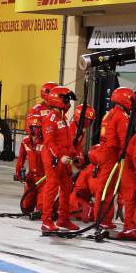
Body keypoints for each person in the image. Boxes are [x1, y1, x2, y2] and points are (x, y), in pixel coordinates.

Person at [85, 86, 136, 230]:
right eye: (131, 99)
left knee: (105, 187)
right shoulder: (122, 116)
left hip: (103, 152)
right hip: (111, 155)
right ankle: (102, 219)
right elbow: (124, 140)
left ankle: (101, 218)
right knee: (107, 189)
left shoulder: (109, 114)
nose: (132, 103)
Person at [39, 85, 78, 232]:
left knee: (67, 188)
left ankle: (63, 219)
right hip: (52, 158)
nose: (68, 103)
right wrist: (59, 157)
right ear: (57, 99)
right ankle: (46, 221)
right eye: (66, 99)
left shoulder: (64, 118)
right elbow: (49, 142)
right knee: (51, 188)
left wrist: (75, 154)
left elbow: (67, 141)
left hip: (64, 159)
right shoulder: (51, 118)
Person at [15, 114, 45, 216]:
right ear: (29, 128)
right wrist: (18, 171)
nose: (37, 130)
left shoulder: (46, 142)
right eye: (35, 127)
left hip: (44, 178)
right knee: (26, 207)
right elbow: (20, 159)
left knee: (42, 208)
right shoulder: (25, 142)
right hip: (31, 177)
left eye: (39, 127)